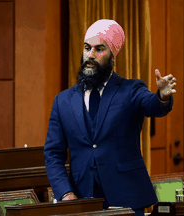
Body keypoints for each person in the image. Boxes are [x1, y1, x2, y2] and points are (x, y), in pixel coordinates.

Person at [44, 19, 176, 216]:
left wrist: (163, 96)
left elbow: (152, 105)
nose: (90, 55)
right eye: (87, 48)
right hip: (82, 199)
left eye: (99, 49)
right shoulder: (62, 101)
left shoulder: (131, 89)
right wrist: (65, 194)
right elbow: (53, 154)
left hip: (126, 198)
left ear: (113, 55)